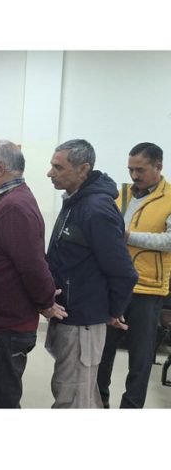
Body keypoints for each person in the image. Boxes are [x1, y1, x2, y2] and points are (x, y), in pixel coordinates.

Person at [0, 140, 66, 408]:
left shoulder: (14, 206)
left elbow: (32, 264)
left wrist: (45, 301)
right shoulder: (9, 201)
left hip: (3, 329)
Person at [45, 139, 137, 408]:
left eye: (57, 167)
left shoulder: (96, 209)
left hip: (83, 318)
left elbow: (123, 272)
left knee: (72, 397)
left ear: (83, 168)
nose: (50, 172)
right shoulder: (75, 202)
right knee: (79, 392)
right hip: (72, 315)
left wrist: (113, 310)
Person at [97, 142, 171, 408]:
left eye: (140, 170)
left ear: (158, 166)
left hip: (147, 289)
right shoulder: (121, 194)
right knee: (103, 352)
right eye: (130, 169)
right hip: (115, 285)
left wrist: (129, 237)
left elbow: (169, 241)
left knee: (140, 357)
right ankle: (99, 401)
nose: (134, 175)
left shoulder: (170, 197)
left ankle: (131, 408)